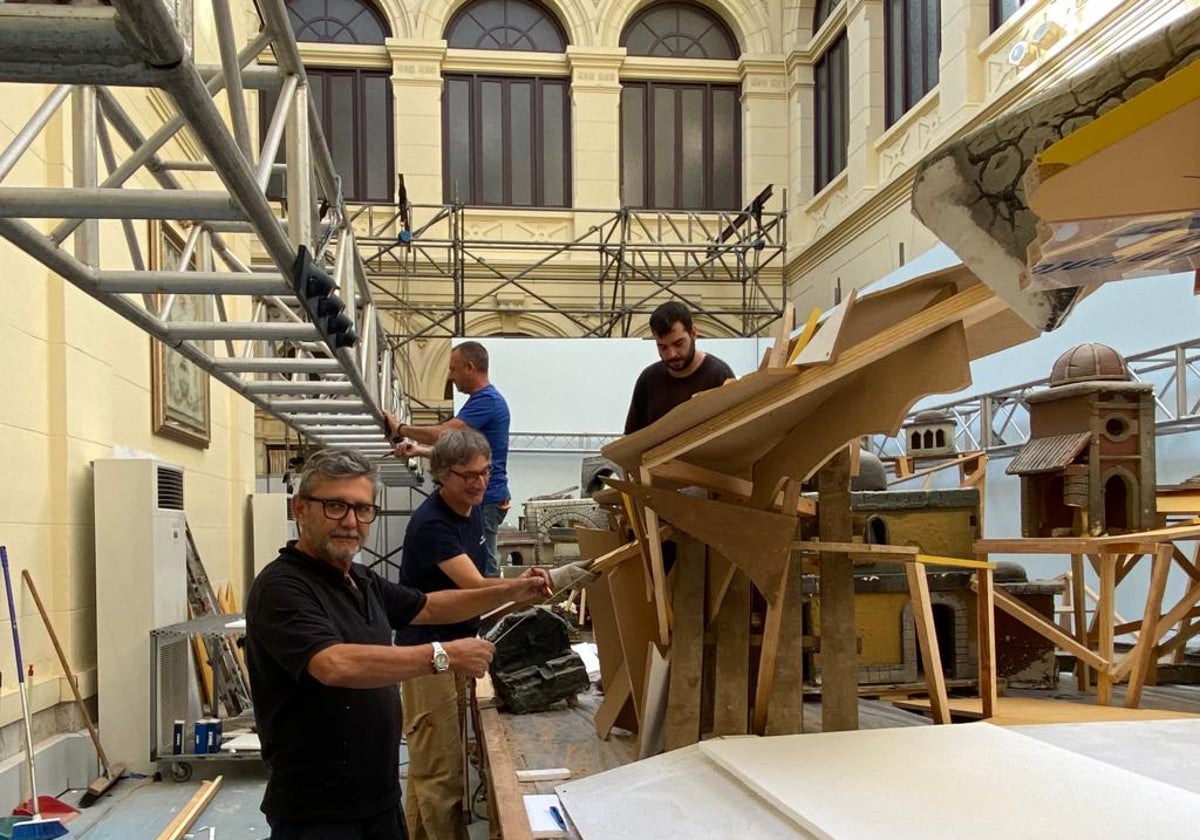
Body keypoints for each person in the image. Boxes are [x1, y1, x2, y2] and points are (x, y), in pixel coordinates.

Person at [245, 448, 549, 840]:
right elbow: (334, 665)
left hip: (377, 799)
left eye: (362, 509)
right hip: (318, 814)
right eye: (335, 507)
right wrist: (443, 655)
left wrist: (515, 589)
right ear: (299, 509)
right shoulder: (282, 587)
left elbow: (429, 606)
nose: (351, 522)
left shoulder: (359, 579)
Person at [395, 428, 522, 840]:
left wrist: (514, 591)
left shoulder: (472, 511)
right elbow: (472, 587)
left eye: (484, 473)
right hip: (427, 656)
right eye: (468, 476)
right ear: (442, 475)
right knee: (442, 776)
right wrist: (522, 587)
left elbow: (479, 588)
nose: (479, 483)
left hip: (456, 647)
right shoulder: (433, 524)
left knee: (428, 767)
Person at [386, 341, 510, 577]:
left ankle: (491, 612)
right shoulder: (482, 402)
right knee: (476, 567)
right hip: (486, 497)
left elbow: (446, 434)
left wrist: (401, 429)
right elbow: (461, 456)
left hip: (485, 498)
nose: (451, 376)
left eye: (454, 369)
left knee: (484, 569)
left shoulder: (487, 402)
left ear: (470, 367)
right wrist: (419, 450)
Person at [624, 301, 735, 434]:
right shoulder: (648, 379)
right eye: (663, 347)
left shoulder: (718, 375)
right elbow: (632, 439)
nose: (671, 354)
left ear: (693, 333)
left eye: (678, 344)